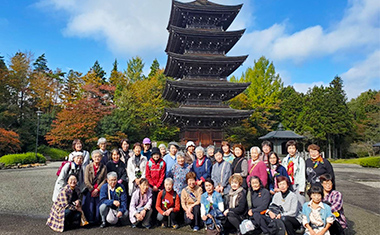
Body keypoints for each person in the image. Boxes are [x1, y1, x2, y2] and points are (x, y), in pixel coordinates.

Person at [82, 150, 107, 224]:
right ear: (92, 158)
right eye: (95, 156)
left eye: (99, 156)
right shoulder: (88, 167)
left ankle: (97, 220)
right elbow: (86, 180)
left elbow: (104, 180)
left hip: (99, 190)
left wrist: (97, 189)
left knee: (98, 206)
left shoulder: (104, 167)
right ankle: (89, 220)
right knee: (90, 206)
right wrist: (92, 189)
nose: (97, 158)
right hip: (90, 189)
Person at [145, 147, 166, 225]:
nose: (156, 156)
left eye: (157, 154)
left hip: (160, 187)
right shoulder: (149, 163)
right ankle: (151, 220)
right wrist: (153, 185)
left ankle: (159, 220)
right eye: (154, 154)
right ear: (152, 155)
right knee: (152, 203)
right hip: (151, 187)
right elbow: (147, 175)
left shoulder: (162, 163)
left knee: (160, 203)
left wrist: (157, 186)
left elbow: (162, 175)